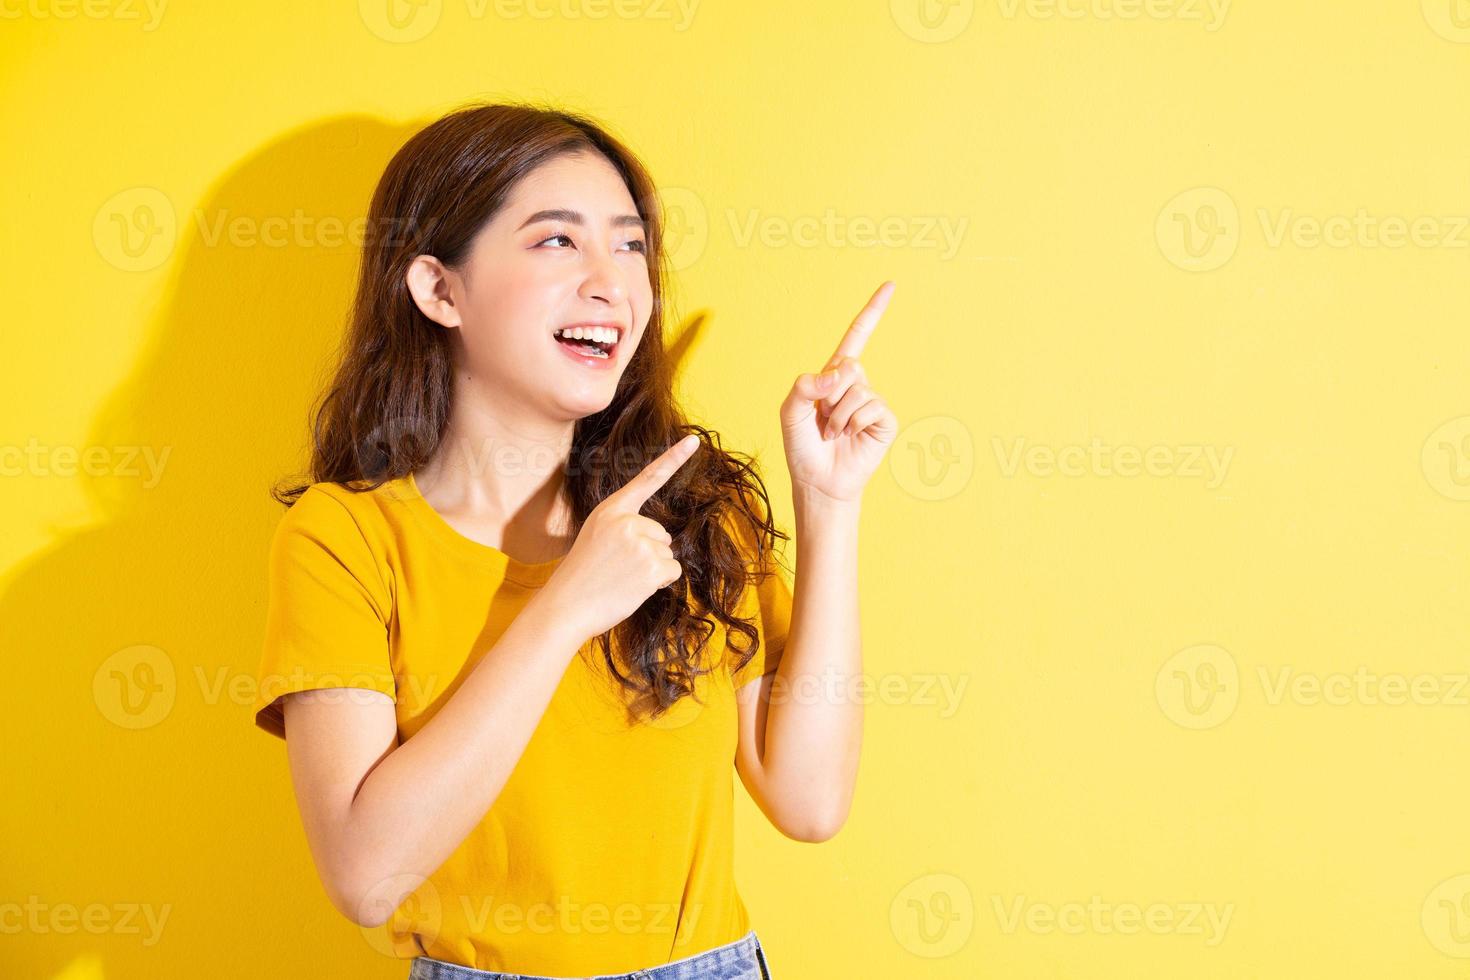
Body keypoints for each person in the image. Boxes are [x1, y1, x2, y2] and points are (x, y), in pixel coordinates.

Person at [251, 100, 897, 979]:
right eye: (558, 241)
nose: (614, 284)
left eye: (630, 245)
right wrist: (563, 610)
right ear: (440, 289)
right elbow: (367, 876)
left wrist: (828, 506)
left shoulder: (691, 511)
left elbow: (810, 801)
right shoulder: (346, 539)